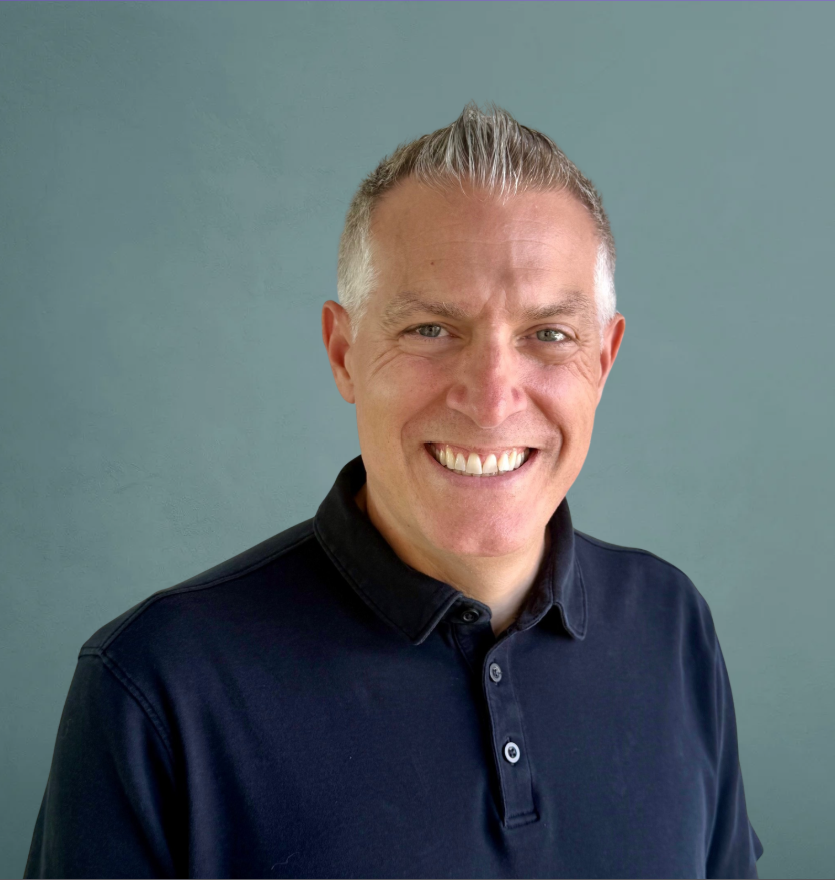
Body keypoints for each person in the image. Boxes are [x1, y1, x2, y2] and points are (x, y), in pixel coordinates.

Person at [24, 101, 763, 879]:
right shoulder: (157, 686)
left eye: (548, 334)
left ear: (602, 362)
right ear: (343, 353)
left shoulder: (671, 625)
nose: (490, 397)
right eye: (430, 330)